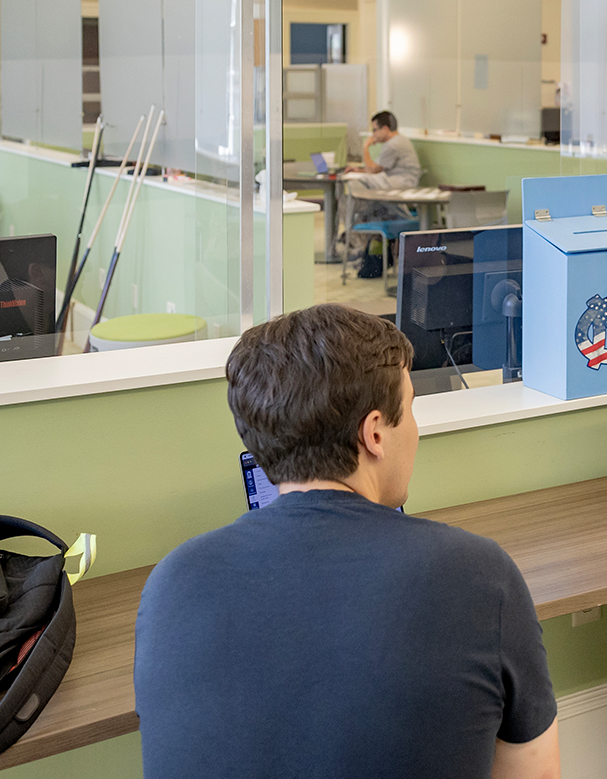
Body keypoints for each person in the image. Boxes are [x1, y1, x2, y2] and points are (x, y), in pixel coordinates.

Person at [135, 303, 560, 779]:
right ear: (374, 433)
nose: (415, 430)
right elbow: (538, 773)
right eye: (411, 409)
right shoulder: (478, 575)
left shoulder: (172, 581)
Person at [342, 111, 424, 261]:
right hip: (396, 182)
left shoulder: (393, 145)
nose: (373, 135)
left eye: (375, 130)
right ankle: (358, 242)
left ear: (385, 129)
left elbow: (373, 170)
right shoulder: (399, 141)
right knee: (361, 196)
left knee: (351, 194)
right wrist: (359, 170)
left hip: (398, 185)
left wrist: (365, 147)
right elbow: (377, 168)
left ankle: (355, 242)